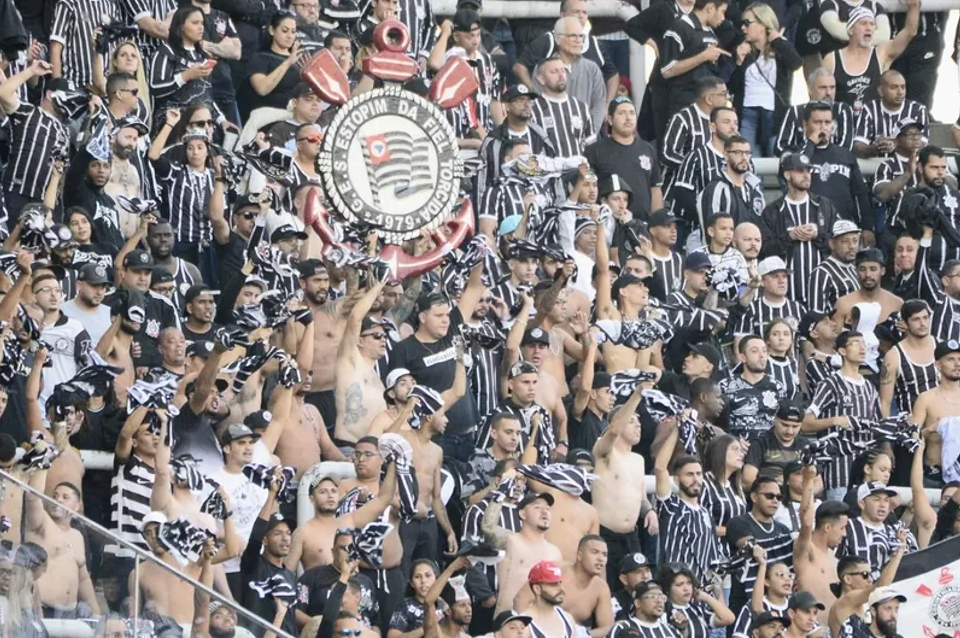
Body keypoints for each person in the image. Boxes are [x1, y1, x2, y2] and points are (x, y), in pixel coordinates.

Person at [286, 461, 397, 571]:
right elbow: (287, 573)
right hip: (322, 582)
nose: (330, 495)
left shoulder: (350, 520)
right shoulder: (302, 533)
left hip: (353, 581)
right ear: (312, 498)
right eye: (323, 492)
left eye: (333, 491)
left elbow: (383, 499)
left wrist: (393, 464)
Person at [760, 152, 839, 306]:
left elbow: (839, 243)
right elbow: (764, 250)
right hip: (787, 297)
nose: (806, 175)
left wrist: (818, 235)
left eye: (808, 170)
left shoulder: (824, 205)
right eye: (800, 171)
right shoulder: (772, 211)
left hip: (823, 294)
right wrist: (790, 236)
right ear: (787, 175)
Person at [821, 0, 919, 117]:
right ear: (850, 30)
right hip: (844, 124)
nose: (869, 28)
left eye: (872, 24)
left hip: (874, 125)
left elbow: (909, 33)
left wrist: (914, 6)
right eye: (863, 23)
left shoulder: (881, 53)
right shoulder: (831, 59)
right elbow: (821, 97)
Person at [514, 0, 620, 105]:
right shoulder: (548, 40)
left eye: (584, 12)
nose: (581, 16)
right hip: (551, 110)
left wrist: (607, 105)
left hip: (588, 112)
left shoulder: (595, 44)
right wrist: (535, 93)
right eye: (576, 12)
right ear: (562, 15)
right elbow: (519, 67)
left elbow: (613, 76)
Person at [729, 4, 802, 157]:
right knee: (747, 157)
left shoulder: (780, 46)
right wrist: (739, 61)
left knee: (776, 157)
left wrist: (777, 41)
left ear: (763, 24)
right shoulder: (744, 50)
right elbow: (732, 86)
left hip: (774, 113)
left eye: (747, 23)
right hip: (747, 112)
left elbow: (795, 63)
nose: (743, 28)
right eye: (742, 24)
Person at [584, 97, 665, 221]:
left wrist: (658, 222)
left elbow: (655, 189)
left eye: (632, 113)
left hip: (642, 225)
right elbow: (588, 190)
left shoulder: (648, 149)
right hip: (608, 224)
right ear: (610, 120)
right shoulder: (594, 151)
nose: (628, 118)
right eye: (622, 113)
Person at [514, 536, 614, 636]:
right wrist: (525, 630)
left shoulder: (601, 587)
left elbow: (608, 628)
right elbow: (520, 599)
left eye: (604, 555)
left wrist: (584, 634)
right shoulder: (555, 571)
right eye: (595, 552)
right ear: (579, 555)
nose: (600, 559)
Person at [654, 426, 718, 583]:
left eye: (699, 474)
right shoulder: (671, 506)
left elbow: (712, 562)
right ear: (677, 480)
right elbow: (660, 468)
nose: (696, 479)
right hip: (673, 587)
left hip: (701, 590)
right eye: (689, 474)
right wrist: (677, 428)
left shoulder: (706, 513)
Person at [484, 491, 563, 615]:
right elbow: (488, 529)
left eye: (548, 509)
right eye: (537, 507)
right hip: (509, 618)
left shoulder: (555, 553)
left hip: (540, 621)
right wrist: (497, 498)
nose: (544, 512)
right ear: (522, 514)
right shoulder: (510, 541)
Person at [239, 470, 298, 637]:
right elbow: (255, 535)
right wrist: (272, 494)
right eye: (278, 533)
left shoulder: (290, 576)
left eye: (288, 533)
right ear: (265, 540)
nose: (285, 538)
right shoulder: (253, 565)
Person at [726, 477, 795, 610]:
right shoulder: (738, 523)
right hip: (745, 604)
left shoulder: (783, 530)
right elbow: (750, 546)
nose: (775, 501)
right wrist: (754, 547)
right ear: (754, 497)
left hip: (778, 605)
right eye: (769, 496)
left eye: (779, 497)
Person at [659, 0, 732, 121]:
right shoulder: (680, 27)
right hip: (685, 103)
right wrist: (703, 56)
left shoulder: (711, 32)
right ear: (710, 7)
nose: (723, 18)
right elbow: (667, 70)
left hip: (708, 105)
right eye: (722, 11)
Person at [530, 19, 606, 132]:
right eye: (573, 36)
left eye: (581, 36)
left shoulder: (592, 68)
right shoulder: (543, 68)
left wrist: (591, 133)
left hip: (586, 135)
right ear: (558, 39)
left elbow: (598, 105)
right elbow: (538, 105)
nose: (578, 40)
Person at [661, 76, 727, 192]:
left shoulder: (724, 120)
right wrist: (697, 166)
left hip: (710, 191)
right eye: (723, 94)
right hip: (677, 191)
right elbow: (668, 154)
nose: (727, 98)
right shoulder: (683, 119)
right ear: (709, 99)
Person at [719, 335, 786, 441]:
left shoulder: (777, 387)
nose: (762, 356)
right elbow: (717, 424)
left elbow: (782, 422)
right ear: (743, 357)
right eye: (754, 351)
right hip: (736, 446)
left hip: (768, 447)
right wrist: (733, 440)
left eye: (764, 351)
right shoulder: (725, 386)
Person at [879, 299, 938, 416]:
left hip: (944, 420)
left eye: (925, 318)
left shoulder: (940, 347)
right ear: (905, 323)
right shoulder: (893, 356)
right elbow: (885, 402)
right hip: (910, 421)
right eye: (916, 319)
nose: (922, 323)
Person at [776, 69, 855, 155]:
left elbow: (846, 148)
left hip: (833, 163)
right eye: (823, 88)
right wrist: (806, 153)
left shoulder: (842, 110)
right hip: (802, 163)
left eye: (832, 87)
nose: (828, 93)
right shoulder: (795, 111)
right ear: (810, 89)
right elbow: (781, 147)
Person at [852, 70, 928, 159]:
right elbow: (858, 147)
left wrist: (897, 144)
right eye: (893, 87)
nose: (900, 92)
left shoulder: (918, 110)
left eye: (903, 87)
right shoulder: (869, 109)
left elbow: (923, 145)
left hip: (907, 163)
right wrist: (876, 148)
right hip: (876, 163)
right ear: (881, 91)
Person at [530, 56, 595, 158]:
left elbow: (591, 144)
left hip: (579, 166)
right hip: (549, 167)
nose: (561, 75)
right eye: (554, 72)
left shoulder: (581, 107)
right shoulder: (533, 109)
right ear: (542, 79)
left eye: (563, 71)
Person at [244, 12, 304, 118]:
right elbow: (262, 89)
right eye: (284, 31)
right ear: (272, 30)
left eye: (293, 32)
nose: (290, 36)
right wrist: (288, 62)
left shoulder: (300, 60)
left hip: (295, 116)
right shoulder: (260, 58)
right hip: (267, 115)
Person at [742, 401, 809, 488]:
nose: (789, 431)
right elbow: (747, 480)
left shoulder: (806, 445)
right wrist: (773, 486)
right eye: (785, 425)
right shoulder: (760, 443)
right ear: (775, 420)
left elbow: (819, 483)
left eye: (795, 427)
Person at [658, 564, 734, 638]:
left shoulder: (698, 610)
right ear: (667, 589)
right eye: (679, 585)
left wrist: (708, 597)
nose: (686, 588)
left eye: (689, 583)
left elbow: (728, 618)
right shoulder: (664, 612)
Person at [807, 221, 862, 316]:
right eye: (845, 241)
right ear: (832, 244)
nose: (852, 246)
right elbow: (816, 315)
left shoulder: (854, 269)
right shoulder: (822, 273)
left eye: (855, 240)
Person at [518, 560, 580, 638]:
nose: (562, 589)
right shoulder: (524, 625)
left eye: (560, 583)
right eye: (554, 584)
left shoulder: (567, 620)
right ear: (537, 589)